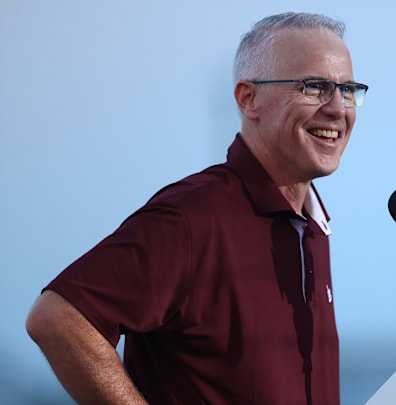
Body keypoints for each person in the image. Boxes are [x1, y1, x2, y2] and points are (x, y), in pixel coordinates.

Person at [25, 12, 368, 405]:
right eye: (315, 87)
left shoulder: (311, 225)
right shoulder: (192, 217)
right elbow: (57, 318)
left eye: (348, 89)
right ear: (248, 98)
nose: (338, 108)